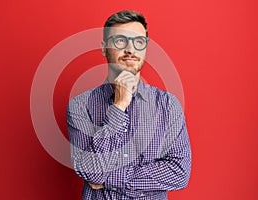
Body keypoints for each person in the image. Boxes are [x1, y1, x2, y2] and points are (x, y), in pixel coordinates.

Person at [67, 10, 191, 200]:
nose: (131, 50)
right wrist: (119, 105)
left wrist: (111, 178)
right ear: (103, 48)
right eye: (120, 41)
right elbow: (92, 174)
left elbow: (179, 172)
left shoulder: (168, 105)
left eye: (139, 42)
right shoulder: (80, 106)